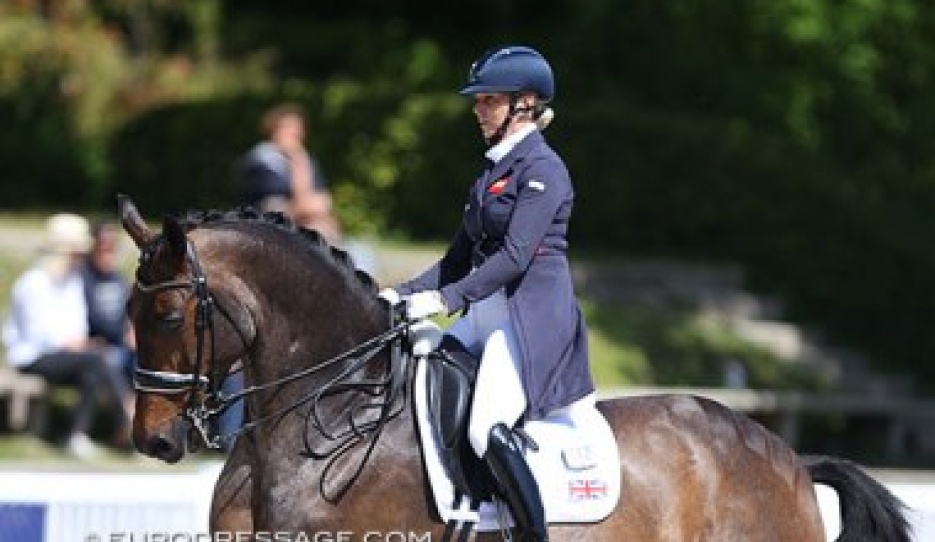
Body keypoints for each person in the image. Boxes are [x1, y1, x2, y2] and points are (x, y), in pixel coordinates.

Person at [380, 45, 592, 542]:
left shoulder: (545, 169)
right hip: (483, 314)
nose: (477, 110)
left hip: (529, 319)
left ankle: (531, 533)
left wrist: (446, 300)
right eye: (479, 101)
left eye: (488, 100)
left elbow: (516, 256)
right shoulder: (490, 173)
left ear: (525, 104)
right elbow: (457, 259)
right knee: (418, 393)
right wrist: (399, 294)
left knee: (485, 427)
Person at [2, 213, 134, 458]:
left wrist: (81, 342)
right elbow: (39, 337)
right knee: (98, 359)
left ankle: (75, 435)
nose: (80, 259)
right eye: (76, 254)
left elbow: (78, 323)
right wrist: (76, 343)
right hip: (32, 357)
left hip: (66, 354)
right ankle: (127, 415)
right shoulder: (33, 283)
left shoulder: (71, 282)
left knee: (93, 370)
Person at [237, 102, 342, 244]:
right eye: (288, 128)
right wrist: (298, 162)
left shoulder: (305, 157)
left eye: (297, 129)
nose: (294, 133)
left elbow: (322, 197)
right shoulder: (261, 159)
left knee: (327, 228)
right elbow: (272, 202)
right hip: (267, 222)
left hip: (304, 217)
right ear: (274, 130)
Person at [80, 220, 136, 387]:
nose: (108, 252)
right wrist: (124, 335)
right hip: (97, 343)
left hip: (122, 343)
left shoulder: (117, 278)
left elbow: (129, 310)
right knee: (115, 360)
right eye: (104, 246)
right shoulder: (83, 277)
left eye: (112, 246)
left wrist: (132, 330)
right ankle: (126, 410)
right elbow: (92, 317)